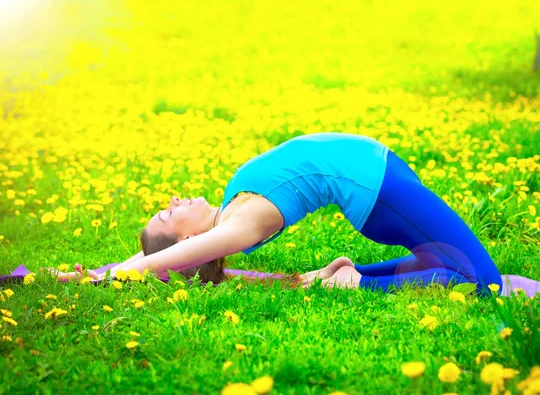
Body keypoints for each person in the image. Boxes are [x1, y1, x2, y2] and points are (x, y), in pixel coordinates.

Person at [45, 132, 503, 295]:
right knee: (482, 282)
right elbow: (158, 263)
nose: (172, 201)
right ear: (188, 244)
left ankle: (347, 276)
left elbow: (184, 267)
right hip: (378, 189)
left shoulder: (229, 212)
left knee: (445, 266)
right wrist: (112, 276)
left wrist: (95, 272)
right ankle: (357, 284)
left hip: (381, 175)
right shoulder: (235, 228)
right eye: (167, 216)